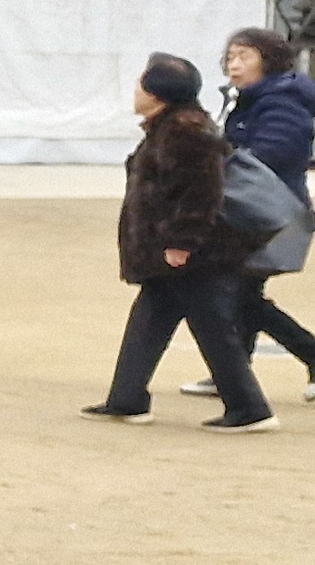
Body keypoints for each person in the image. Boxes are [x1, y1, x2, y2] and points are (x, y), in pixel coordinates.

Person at [90, 51, 276, 432]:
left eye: (141, 84)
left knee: (213, 329)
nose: (135, 90)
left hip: (192, 254)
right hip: (169, 253)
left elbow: (202, 192)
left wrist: (182, 243)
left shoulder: (186, 132)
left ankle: (249, 408)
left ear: (158, 94)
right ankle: (127, 398)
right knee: (150, 321)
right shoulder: (170, 127)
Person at [194, 28, 315, 403]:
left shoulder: (282, 100)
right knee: (241, 289)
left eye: (244, 56)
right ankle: (233, 374)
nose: (234, 64)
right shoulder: (247, 100)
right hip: (253, 209)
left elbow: (275, 153)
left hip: (274, 213)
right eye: (230, 57)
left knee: (236, 291)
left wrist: (221, 158)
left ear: (269, 60)